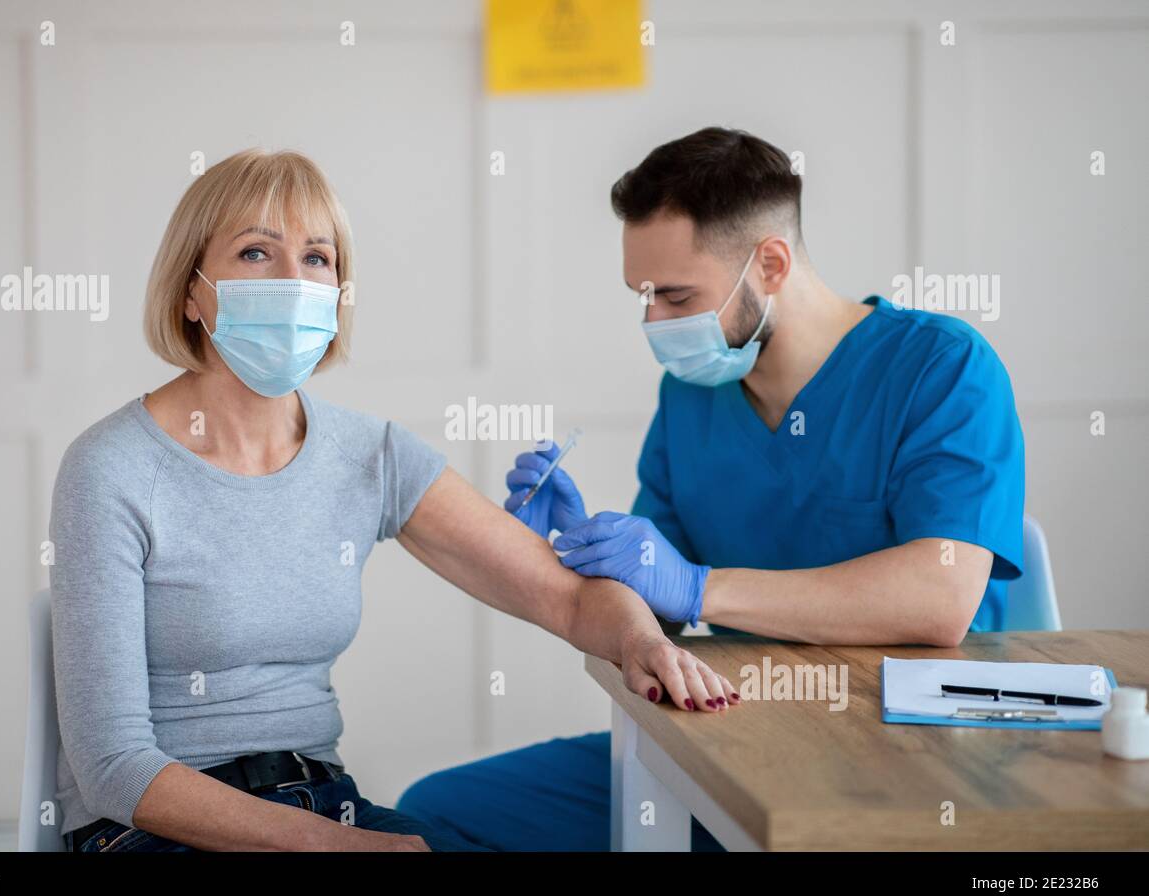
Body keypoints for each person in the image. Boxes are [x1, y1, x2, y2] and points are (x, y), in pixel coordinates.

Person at [50, 148, 735, 853]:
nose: (294, 279)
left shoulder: (369, 455)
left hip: (322, 799)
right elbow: (112, 769)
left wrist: (642, 639)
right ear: (190, 291)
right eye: (257, 252)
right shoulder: (111, 467)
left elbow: (564, 597)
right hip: (151, 829)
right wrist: (331, 846)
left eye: (317, 258)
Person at [397, 126, 1025, 851]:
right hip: (729, 742)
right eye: (643, 297)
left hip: (906, 763)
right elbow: (652, 626)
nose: (653, 322)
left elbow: (939, 599)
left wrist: (701, 587)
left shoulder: (942, 370)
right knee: (436, 811)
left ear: (771, 263)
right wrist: (581, 557)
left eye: (675, 295)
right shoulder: (691, 395)